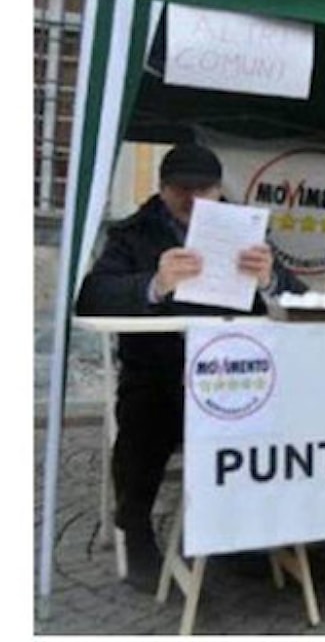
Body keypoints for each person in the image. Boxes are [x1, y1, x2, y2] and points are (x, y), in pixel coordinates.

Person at [75, 143, 308, 594]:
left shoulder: (244, 229)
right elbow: (93, 296)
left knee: (273, 422)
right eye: (183, 189)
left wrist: (271, 280)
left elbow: (299, 297)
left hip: (234, 372)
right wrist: (154, 284)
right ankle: (137, 528)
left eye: (205, 189)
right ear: (162, 189)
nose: (195, 199)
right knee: (145, 423)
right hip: (159, 369)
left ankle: (234, 531)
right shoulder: (133, 233)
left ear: (220, 190)